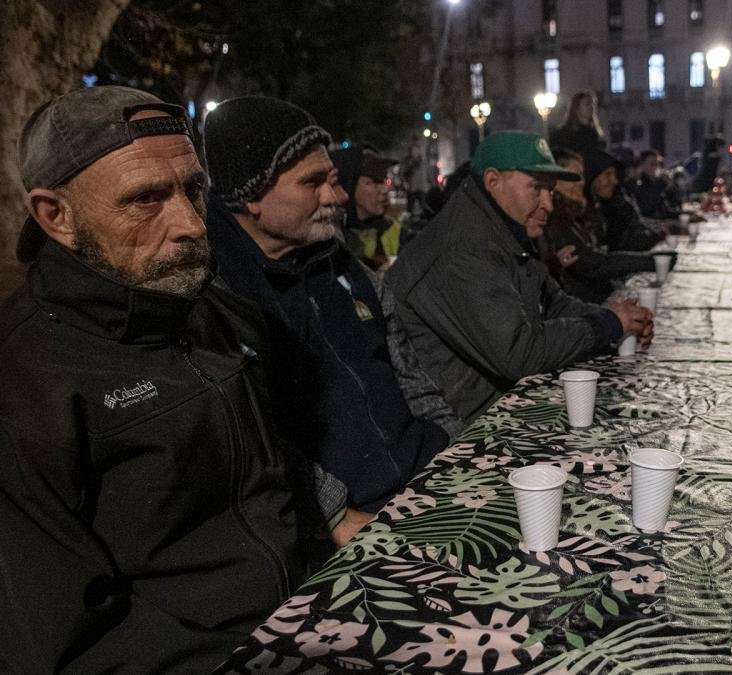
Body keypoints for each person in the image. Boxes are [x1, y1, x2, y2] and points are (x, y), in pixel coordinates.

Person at [0, 86, 308, 670]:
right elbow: (66, 643)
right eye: (145, 198)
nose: (191, 223)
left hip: (310, 610)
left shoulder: (217, 313)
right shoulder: (24, 386)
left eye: (194, 189)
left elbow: (272, 472)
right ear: (56, 216)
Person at [202, 97, 451, 525]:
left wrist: (451, 444)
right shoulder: (220, 296)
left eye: (332, 179)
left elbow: (410, 375)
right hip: (356, 520)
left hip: (426, 473)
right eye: (312, 183)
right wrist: (333, 516)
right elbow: (254, 437)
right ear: (251, 195)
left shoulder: (342, 263)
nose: (336, 196)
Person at [385, 131, 653, 422]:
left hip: (497, 400)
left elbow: (554, 303)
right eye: (537, 188)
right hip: (458, 424)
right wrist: (607, 324)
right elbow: (520, 354)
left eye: (550, 190)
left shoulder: (504, 228)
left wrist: (618, 319)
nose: (548, 204)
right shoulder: (465, 247)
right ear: (493, 181)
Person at [542, 149, 658, 304]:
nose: (580, 182)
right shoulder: (555, 217)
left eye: (581, 175)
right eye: (571, 176)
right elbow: (591, 265)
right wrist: (651, 261)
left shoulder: (578, 211)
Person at [331, 144, 404, 274]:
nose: (385, 189)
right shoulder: (331, 241)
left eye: (383, 180)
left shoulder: (395, 231)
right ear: (348, 186)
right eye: (371, 182)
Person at [586, 148, 667, 252]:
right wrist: (655, 234)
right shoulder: (593, 208)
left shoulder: (616, 197)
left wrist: (659, 228)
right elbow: (620, 245)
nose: (614, 180)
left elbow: (636, 223)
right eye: (608, 174)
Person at [548, 90, 607, 155]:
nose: (592, 107)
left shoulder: (593, 132)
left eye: (593, 104)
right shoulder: (564, 133)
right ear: (577, 107)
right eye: (587, 104)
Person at [628, 149, 680, 220]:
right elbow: (648, 212)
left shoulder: (658, 183)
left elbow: (670, 207)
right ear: (642, 165)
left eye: (658, 164)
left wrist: (670, 187)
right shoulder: (638, 185)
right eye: (652, 164)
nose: (656, 167)